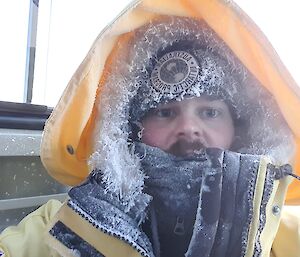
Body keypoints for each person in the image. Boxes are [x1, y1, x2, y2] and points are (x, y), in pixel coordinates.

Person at [1, 1, 300, 257]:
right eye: (165, 111)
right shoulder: (60, 228)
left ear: (240, 129)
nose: (188, 128)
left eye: (210, 112)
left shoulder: (283, 237)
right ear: (130, 128)